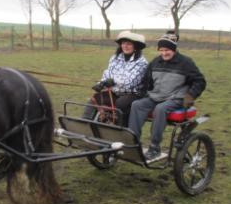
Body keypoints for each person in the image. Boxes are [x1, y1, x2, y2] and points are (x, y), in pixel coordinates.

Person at [128, 31, 206, 162]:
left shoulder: (186, 63)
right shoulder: (155, 62)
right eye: (162, 50)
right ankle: (132, 142)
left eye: (167, 50)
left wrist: (190, 96)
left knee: (160, 109)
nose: (164, 53)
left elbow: (200, 81)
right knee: (136, 105)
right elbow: (146, 82)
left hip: (175, 98)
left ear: (174, 49)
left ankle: (154, 148)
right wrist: (141, 94)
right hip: (156, 96)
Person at [84, 31, 148, 125]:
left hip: (134, 94)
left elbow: (130, 83)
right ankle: (84, 123)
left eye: (129, 44)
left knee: (121, 103)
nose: (125, 46)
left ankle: (120, 129)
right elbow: (108, 73)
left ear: (136, 46)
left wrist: (112, 81)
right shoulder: (115, 58)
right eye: (123, 43)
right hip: (115, 91)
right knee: (95, 98)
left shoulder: (142, 63)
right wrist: (101, 84)